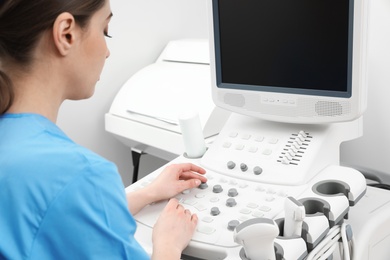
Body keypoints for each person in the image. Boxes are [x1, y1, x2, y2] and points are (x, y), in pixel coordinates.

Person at [0, 0, 207, 259]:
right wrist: (168, 244)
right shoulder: (80, 172)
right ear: (66, 33)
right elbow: (69, 194)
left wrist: (148, 193)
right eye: (105, 31)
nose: (107, 52)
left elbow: (54, 211)